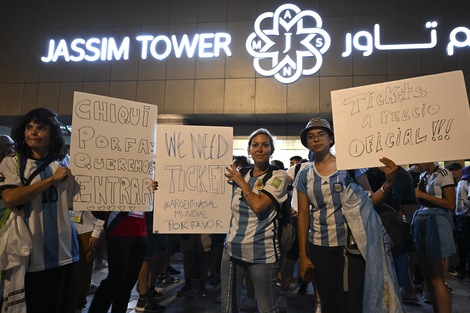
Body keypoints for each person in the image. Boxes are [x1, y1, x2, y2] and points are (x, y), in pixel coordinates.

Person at [296, 117, 400, 313]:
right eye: (311, 136)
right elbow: (303, 215)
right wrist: (303, 255)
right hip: (319, 246)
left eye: (321, 134)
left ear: (331, 139)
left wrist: (389, 183)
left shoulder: (350, 167)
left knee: (353, 303)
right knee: (329, 303)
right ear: (307, 143)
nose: (316, 139)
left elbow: (370, 203)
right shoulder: (304, 174)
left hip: (352, 245)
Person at [0, 108, 79, 313]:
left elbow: (77, 202)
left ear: (52, 133)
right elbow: (10, 198)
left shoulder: (63, 162)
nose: (33, 132)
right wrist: (51, 180)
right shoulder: (13, 162)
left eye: (41, 128)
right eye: (29, 127)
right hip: (30, 254)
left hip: (66, 252)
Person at [222, 128, 288, 313]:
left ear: (271, 150)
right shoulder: (239, 173)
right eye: (255, 145)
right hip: (232, 251)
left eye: (265, 145)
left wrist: (241, 183)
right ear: (249, 150)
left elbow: (259, 205)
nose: (260, 149)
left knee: (267, 309)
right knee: (228, 307)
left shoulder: (278, 176)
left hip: (262, 254)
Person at [88, 181, 159, 313]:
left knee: (128, 282)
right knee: (116, 279)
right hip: (118, 228)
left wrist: (152, 189)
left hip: (140, 230)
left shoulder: (148, 166)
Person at [412, 162, 456, 313]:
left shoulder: (444, 174)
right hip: (422, 221)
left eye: (418, 161)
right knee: (428, 276)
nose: (415, 165)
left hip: (437, 223)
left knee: (437, 277)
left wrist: (423, 195)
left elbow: (451, 204)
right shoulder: (422, 175)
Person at [72, 210, 104, 312]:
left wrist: (97, 231)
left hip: (87, 229)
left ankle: (79, 305)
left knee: (84, 270)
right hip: (65, 229)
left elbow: (102, 206)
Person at [455, 166, 470, 281]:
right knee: (462, 243)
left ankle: (463, 269)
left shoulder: (465, 184)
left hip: (466, 217)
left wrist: (465, 208)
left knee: (465, 244)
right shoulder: (462, 183)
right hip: (461, 216)